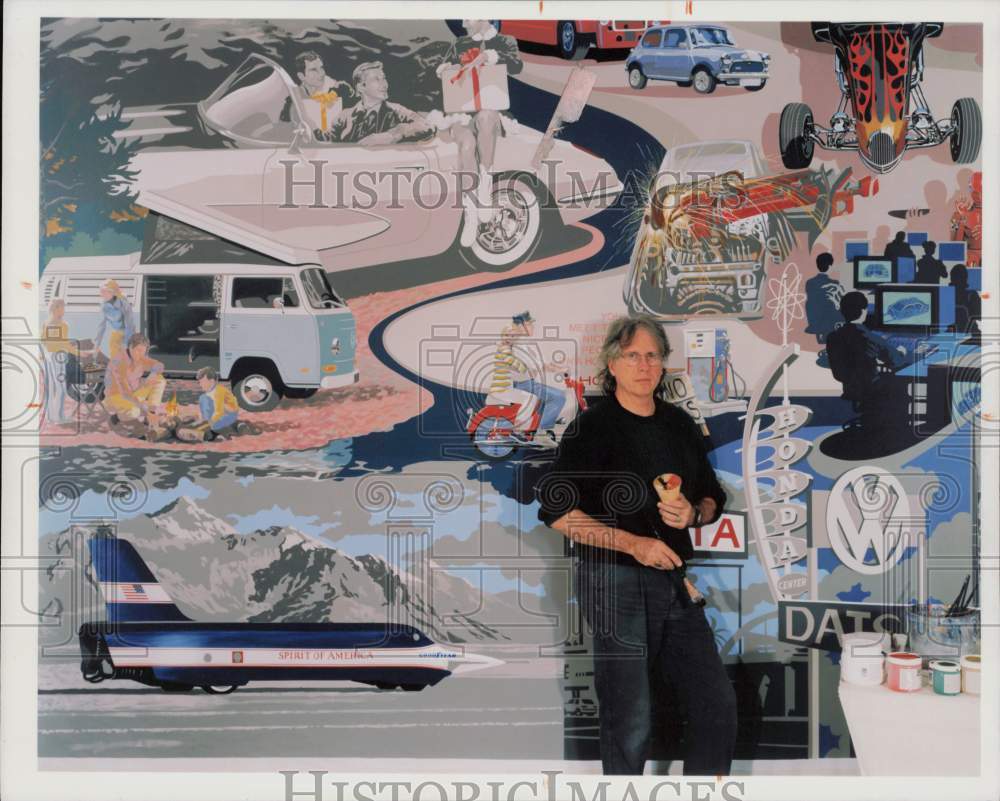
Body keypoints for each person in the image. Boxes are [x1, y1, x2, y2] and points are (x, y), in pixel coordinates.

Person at [536, 314, 735, 776]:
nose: (644, 365)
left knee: (715, 702)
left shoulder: (680, 424)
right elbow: (558, 513)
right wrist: (634, 545)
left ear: (663, 364)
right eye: (632, 356)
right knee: (631, 717)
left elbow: (712, 498)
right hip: (614, 580)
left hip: (674, 581)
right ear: (612, 362)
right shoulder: (592, 428)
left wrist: (693, 513)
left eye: (652, 356)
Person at [435, 19, 524, 239]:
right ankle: (471, 212)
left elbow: (516, 66)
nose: (464, 22)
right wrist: (448, 69)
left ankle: (485, 185)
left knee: (486, 117)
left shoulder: (505, 41)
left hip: (492, 112)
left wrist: (488, 57)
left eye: (468, 16)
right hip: (462, 111)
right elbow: (441, 71)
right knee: (467, 145)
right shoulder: (460, 43)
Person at [315, 61, 433, 145]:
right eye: (377, 79)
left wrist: (390, 135)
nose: (384, 84)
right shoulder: (344, 116)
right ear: (361, 87)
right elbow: (328, 140)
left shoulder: (396, 111)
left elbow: (426, 126)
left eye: (384, 78)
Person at [505, 310, 572, 441]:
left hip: (529, 383)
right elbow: (533, 366)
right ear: (521, 326)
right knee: (559, 397)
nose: (533, 327)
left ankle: (543, 425)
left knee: (558, 395)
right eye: (530, 324)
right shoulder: (518, 345)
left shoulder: (526, 344)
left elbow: (542, 363)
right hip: (524, 385)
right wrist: (556, 369)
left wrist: (560, 368)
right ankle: (541, 432)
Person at [103, 333, 167, 438]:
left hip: (134, 393)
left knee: (160, 380)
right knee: (134, 412)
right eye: (139, 350)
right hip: (116, 397)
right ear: (130, 347)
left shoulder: (140, 357)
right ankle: (116, 417)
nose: (141, 354)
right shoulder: (119, 361)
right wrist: (144, 410)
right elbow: (125, 393)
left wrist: (153, 374)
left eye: (144, 351)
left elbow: (159, 365)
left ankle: (151, 414)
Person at [42, 298, 90, 425]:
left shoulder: (46, 323)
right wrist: (79, 353)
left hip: (48, 357)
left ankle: (51, 416)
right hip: (58, 358)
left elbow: (43, 341)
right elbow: (65, 344)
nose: (64, 310)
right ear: (57, 308)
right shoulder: (63, 325)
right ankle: (59, 417)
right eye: (63, 307)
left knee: (51, 388)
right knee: (61, 388)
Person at [281, 51, 351, 134]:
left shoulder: (341, 91)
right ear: (301, 76)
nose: (321, 73)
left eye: (321, 68)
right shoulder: (293, 101)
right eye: (313, 70)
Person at [804, 252, 844, 358]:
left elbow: (814, 302)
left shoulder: (810, 282)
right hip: (829, 320)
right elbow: (840, 301)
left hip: (814, 319)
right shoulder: (834, 283)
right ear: (830, 266)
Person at [94, 278, 135, 359]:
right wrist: (96, 345)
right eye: (101, 292)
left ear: (112, 292)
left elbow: (129, 325)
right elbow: (101, 326)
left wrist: (126, 344)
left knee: (126, 360)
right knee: (115, 361)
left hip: (128, 334)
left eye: (103, 292)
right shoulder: (104, 306)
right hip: (116, 335)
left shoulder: (124, 303)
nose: (101, 294)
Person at [196, 366, 241, 437]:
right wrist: (202, 419)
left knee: (213, 426)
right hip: (218, 414)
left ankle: (227, 429)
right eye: (199, 382)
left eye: (202, 382)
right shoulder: (207, 394)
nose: (200, 384)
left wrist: (209, 423)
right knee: (203, 398)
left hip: (229, 415)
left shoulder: (219, 391)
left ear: (211, 381)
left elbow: (219, 411)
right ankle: (208, 423)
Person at [950, 171, 982, 268]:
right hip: (971, 260)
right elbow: (955, 243)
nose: (977, 195)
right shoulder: (965, 212)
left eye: (980, 191)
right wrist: (957, 220)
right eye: (974, 192)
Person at [949, 264, 981, 336]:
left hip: (951, 333)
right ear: (965, 278)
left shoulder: (944, 295)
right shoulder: (972, 295)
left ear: (951, 278)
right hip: (970, 333)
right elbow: (979, 316)